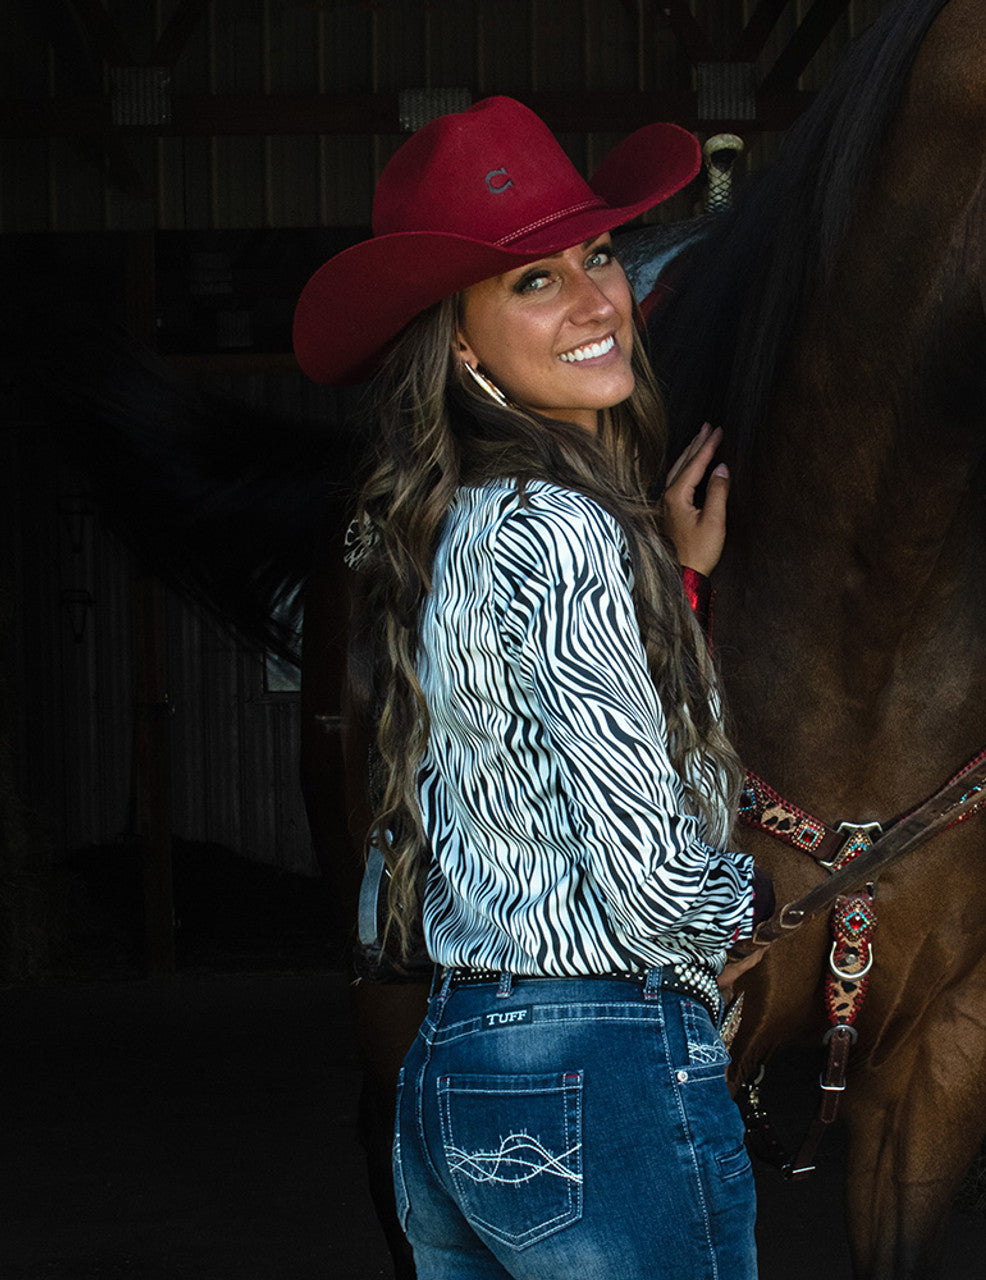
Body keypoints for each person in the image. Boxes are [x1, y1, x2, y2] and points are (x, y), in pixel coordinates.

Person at [293, 95, 772, 1280]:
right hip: (594, 1061)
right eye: (531, 283)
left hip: (455, 1064)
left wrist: (675, 586)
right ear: (456, 341)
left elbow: (526, 766)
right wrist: (744, 910)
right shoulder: (557, 531)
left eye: (595, 256)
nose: (596, 299)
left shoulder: (453, 526)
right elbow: (648, 873)